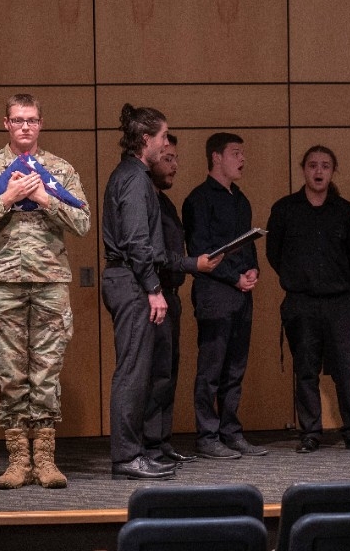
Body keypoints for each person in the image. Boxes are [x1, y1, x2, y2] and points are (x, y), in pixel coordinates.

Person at [0, 93, 90, 489]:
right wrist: (8, 198)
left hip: (51, 282)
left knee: (47, 372)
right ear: (6, 123)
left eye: (31, 120)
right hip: (5, 283)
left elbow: (83, 223)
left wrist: (44, 199)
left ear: (41, 123)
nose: (24, 127)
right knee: (12, 373)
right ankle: (18, 460)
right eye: (17, 120)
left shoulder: (60, 170)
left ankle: (45, 460)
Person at [102, 111, 221, 479]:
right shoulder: (133, 179)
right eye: (164, 137)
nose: (168, 144)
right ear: (146, 140)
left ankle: (141, 450)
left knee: (147, 372)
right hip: (132, 281)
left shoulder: (135, 177)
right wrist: (154, 289)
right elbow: (138, 242)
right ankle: (126, 456)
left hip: (134, 279)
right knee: (133, 373)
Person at [266, 145, 350, 454]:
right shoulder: (285, 209)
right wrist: (298, 278)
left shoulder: (344, 210)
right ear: (303, 169)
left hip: (338, 302)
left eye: (325, 166)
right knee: (306, 369)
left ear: (332, 171)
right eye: (313, 165)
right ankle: (310, 432)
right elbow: (274, 254)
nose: (318, 171)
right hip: (300, 301)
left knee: (345, 369)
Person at [183, 132, 265, 459]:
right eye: (235, 153)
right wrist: (235, 278)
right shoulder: (198, 200)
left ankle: (231, 432)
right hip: (215, 295)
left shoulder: (240, 199)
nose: (242, 159)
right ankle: (207, 436)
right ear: (216, 157)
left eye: (242, 153)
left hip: (241, 294)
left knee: (235, 368)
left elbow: (247, 243)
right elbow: (201, 251)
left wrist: (253, 270)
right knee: (211, 370)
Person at [144, 133, 219, 464]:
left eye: (175, 159)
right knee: (154, 376)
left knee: (168, 374)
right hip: (153, 296)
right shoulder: (145, 199)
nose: (174, 165)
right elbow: (156, 255)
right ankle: (148, 445)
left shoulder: (165, 201)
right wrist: (195, 264)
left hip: (171, 295)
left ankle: (161, 442)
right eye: (168, 158)